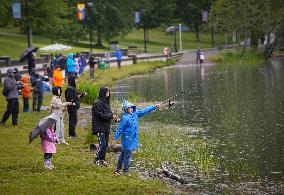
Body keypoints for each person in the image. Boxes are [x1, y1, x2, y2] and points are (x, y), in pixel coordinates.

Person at [113, 100, 161, 176]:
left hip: (132, 139)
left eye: (132, 108)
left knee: (123, 154)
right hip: (126, 140)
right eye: (129, 108)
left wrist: (154, 107)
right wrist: (115, 138)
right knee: (127, 156)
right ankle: (126, 172)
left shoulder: (135, 114)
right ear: (126, 109)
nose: (131, 109)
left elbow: (144, 111)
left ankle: (118, 170)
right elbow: (119, 129)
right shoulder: (125, 118)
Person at [92, 87, 117, 166]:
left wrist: (114, 117)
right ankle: (97, 159)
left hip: (106, 127)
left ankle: (102, 160)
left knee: (105, 145)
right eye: (107, 92)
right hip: (99, 127)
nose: (108, 94)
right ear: (103, 93)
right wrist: (111, 116)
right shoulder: (97, 103)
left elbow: (109, 114)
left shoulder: (107, 103)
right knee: (102, 144)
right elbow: (100, 115)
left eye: (109, 92)